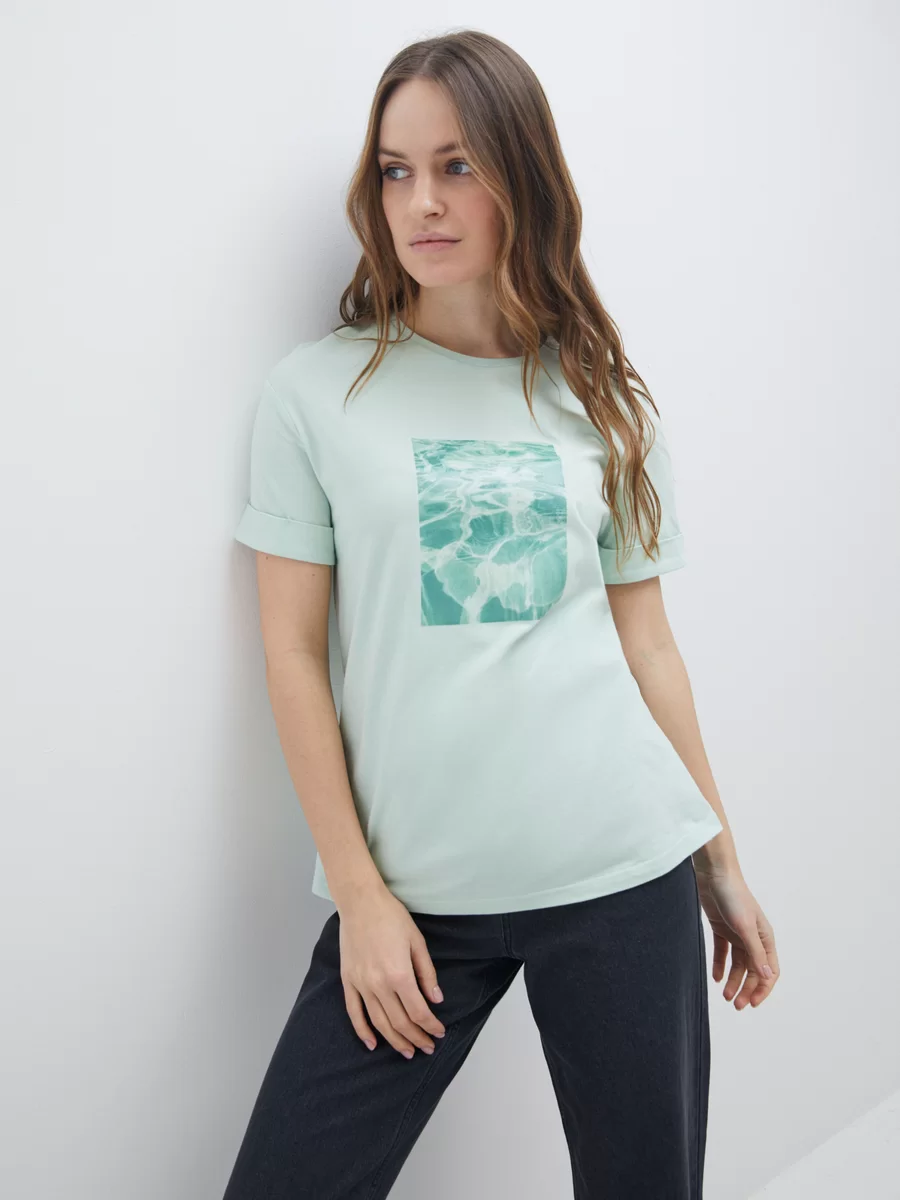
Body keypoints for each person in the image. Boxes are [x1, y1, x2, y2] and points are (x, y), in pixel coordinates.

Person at [222, 29, 779, 1200]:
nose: (421, 201)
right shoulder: (317, 393)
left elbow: (648, 646)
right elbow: (292, 653)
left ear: (521, 174)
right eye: (396, 170)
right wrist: (360, 896)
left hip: (622, 872)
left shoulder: (605, 399)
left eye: (458, 165)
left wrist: (718, 859)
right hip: (417, 901)